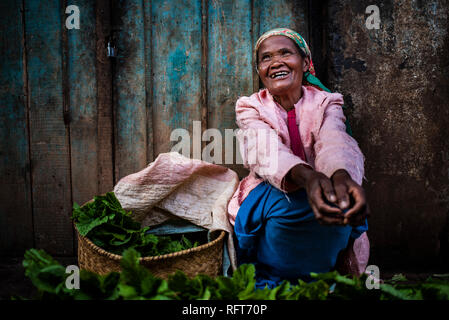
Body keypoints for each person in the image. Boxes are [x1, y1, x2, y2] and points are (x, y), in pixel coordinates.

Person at [227, 28, 370, 288]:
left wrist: (339, 176)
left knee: (342, 203)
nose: (275, 63)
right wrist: (308, 177)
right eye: (266, 58)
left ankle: (323, 275)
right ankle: (269, 273)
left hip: (321, 188)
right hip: (272, 193)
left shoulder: (327, 102)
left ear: (305, 62)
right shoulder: (250, 106)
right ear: (259, 69)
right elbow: (264, 149)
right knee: (286, 206)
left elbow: (334, 139)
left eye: (285, 53)